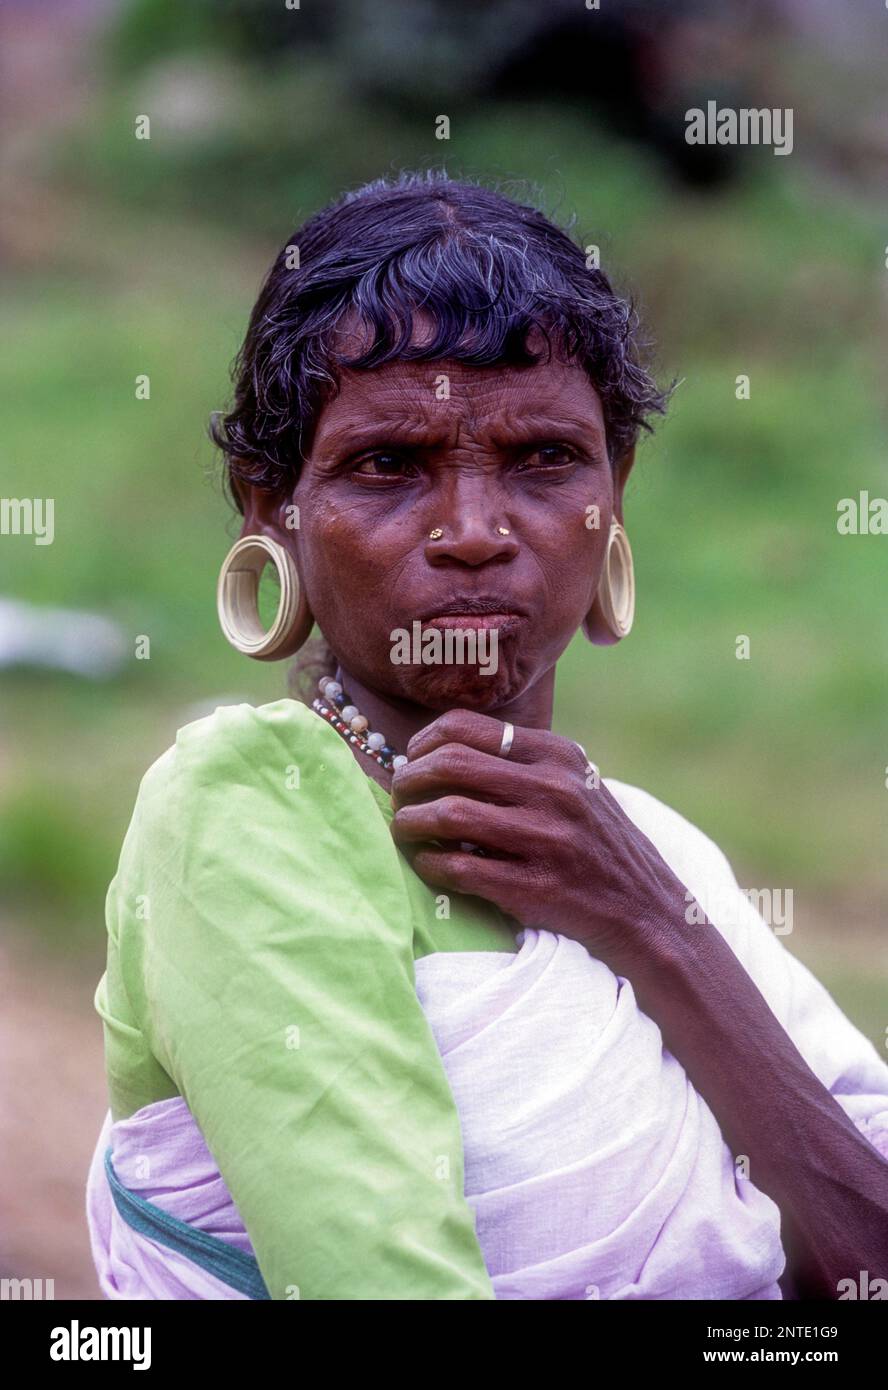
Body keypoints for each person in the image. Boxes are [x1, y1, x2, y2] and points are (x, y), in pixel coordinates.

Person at [86, 171, 888, 1301]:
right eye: (388, 465)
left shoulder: (650, 848)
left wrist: (659, 927)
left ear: (618, 489)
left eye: (545, 458)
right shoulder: (245, 807)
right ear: (272, 505)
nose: (474, 532)